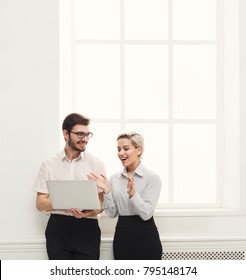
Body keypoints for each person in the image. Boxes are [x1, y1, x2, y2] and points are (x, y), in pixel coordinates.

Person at [33, 113, 106, 260]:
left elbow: (99, 204)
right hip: (58, 228)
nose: (84, 139)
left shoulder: (96, 164)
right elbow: (40, 204)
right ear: (65, 134)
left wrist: (87, 212)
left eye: (87, 135)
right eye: (80, 134)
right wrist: (69, 201)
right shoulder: (49, 163)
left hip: (87, 228)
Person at [88, 132, 163, 260]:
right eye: (118, 149)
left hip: (146, 237)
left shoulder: (152, 178)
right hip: (122, 236)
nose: (121, 153)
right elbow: (112, 213)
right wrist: (106, 191)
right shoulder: (114, 179)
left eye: (126, 148)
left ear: (139, 150)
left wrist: (133, 194)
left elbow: (146, 214)